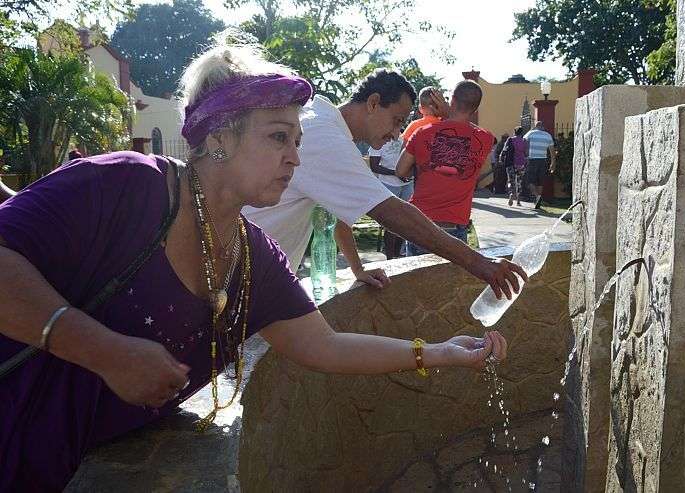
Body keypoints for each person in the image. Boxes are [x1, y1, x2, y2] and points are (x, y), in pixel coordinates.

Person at [0, 36, 510, 491]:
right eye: (277, 138)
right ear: (219, 136)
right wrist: (107, 352)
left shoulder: (253, 257)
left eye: (297, 141)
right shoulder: (124, 185)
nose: (294, 157)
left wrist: (441, 352)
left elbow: (325, 345)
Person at [244, 70, 526, 300]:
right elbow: (389, 211)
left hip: (259, 273)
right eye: (397, 121)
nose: (396, 134)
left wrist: (357, 268)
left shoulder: (321, 119)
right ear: (373, 103)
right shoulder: (327, 138)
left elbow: (339, 212)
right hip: (243, 273)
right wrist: (480, 264)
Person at [395, 80, 495, 256]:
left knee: (416, 281)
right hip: (455, 227)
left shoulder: (422, 132)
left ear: (452, 100)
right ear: (476, 109)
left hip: (420, 222)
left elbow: (400, 170)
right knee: (449, 282)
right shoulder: (485, 138)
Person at [368, 137, 412, 259]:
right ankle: (390, 257)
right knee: (392, 222)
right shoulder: (378, 142)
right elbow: (375, 167)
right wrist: (397, 173)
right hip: (389, 185)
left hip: (407, 184)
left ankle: (399, 253)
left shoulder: (404, 138)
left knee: (406, 220)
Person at [523, 121, 556, 209]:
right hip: (543, 160)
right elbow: (552, 151)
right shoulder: (548, 135)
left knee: (529, 181)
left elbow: (524, 142)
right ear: (542, 127)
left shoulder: (530, 133)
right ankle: (539, 199)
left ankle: (537, 196)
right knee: (540, 181)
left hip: (532, 159)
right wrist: (553, 162)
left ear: (535, 126)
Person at [501, 127, 529, 206]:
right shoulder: (524, 141)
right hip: (521, 164)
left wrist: (501, 158)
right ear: (522, 133)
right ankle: (518, 200)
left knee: (511, 180)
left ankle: (511, 194)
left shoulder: (510, 139)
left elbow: (504, 150)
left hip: (510, 163)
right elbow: (526, 153)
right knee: (519, 181)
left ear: (515, 132)